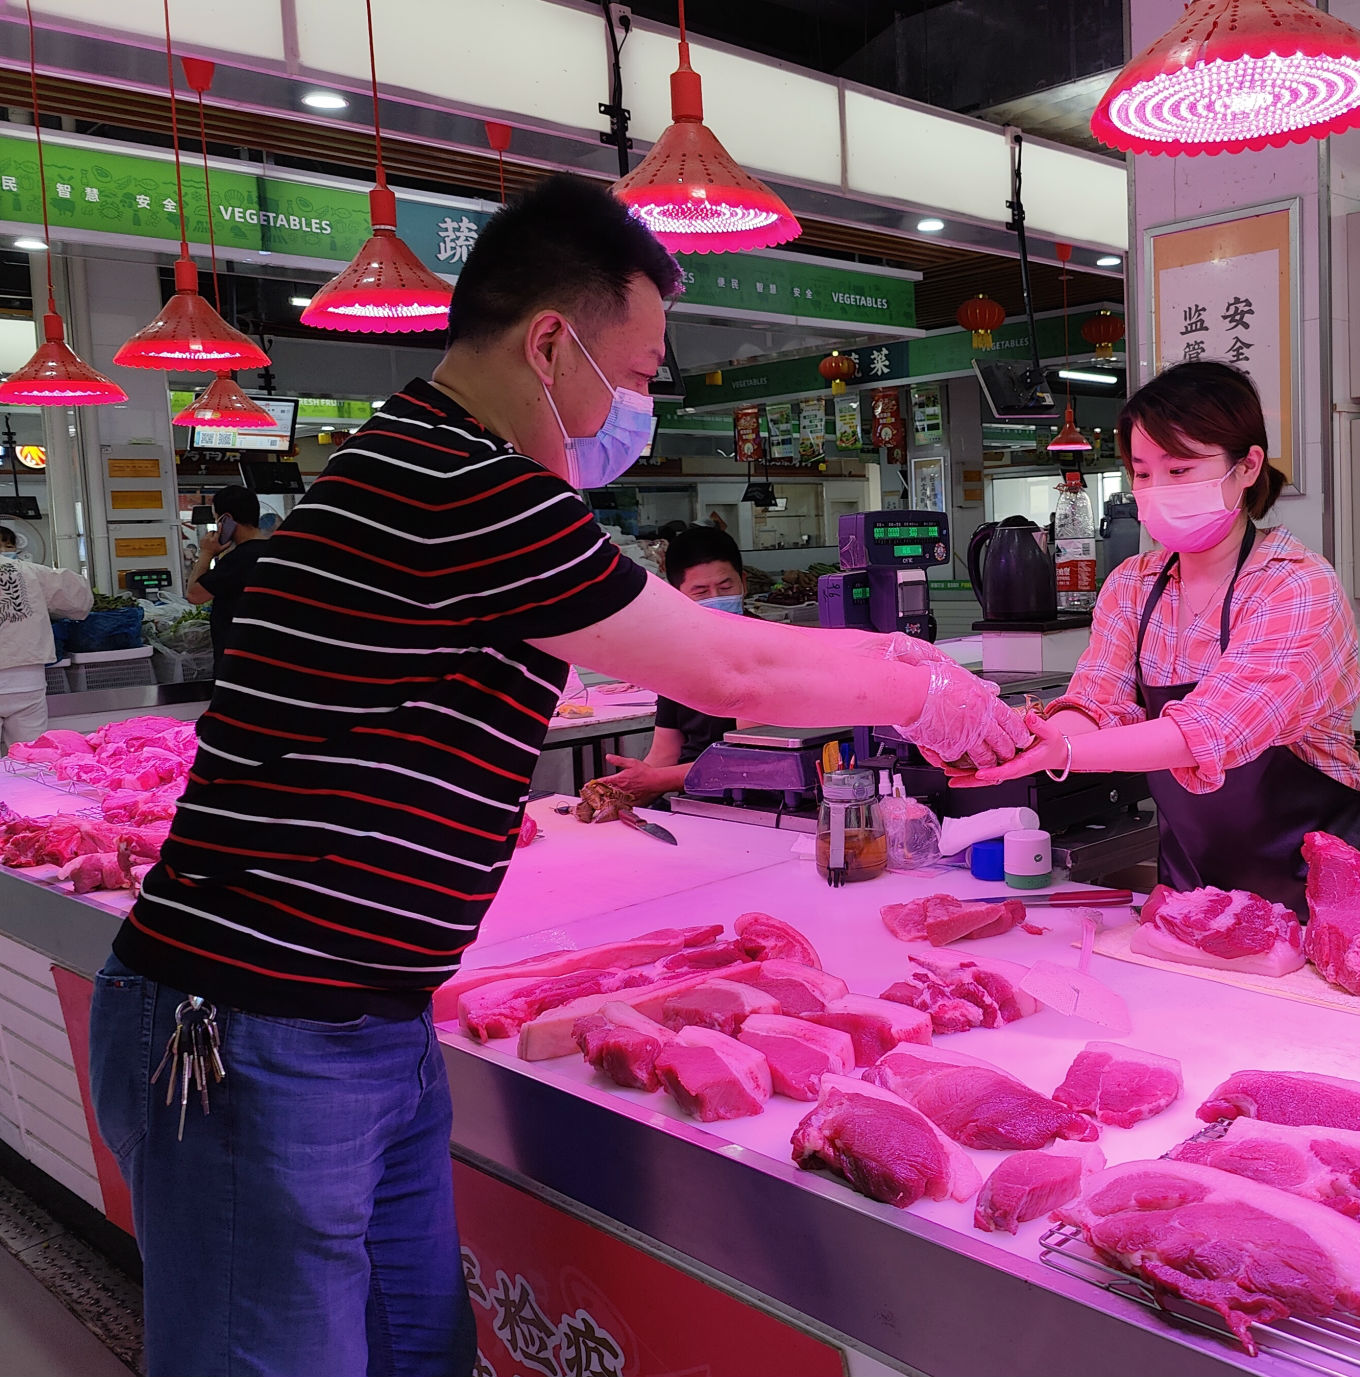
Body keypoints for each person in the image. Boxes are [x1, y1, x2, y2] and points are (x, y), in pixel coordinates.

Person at [88, 173, 1028, 1377]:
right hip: (255, 1025)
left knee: (417, 1353)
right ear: (548, 346)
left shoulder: (439, 462)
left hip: (366, 1018)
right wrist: (923, 688)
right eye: (634, 375)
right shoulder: (460, 485)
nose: (640, 407)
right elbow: (731, 665)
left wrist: (907, 670)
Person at [959, 361, 1360, 910]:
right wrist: (1018, 742)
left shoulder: (1296, 585)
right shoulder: (1133, 585)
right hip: (1197, 893)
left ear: (1247, 466)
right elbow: (1097, 705)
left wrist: (1059, 751)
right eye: (1142, 474)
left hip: (1327, 894)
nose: (1157, 490)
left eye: (1180, 470)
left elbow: (1210, 729)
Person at [596, 523, 750, 804]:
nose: (716, 598)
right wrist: (619, 793)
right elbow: (664, 754)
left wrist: (655, 781)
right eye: (701, 591)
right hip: (691, 800)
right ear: (677, 595)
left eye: (725, 587)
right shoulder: (676, 657)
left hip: (746, 802)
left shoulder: (762, 650)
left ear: (744, 582)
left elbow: (749, 760)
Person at [0, 525, 90, 746]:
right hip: (26, 680)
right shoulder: (31, 571)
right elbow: (79, 599)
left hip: (26, 678)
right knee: (29, 755)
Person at [183, 483, 272, 679]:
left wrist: (206, 552)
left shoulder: (239, 559)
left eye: (217, 519)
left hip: (240, 665)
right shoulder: (276, 551)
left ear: (227, 519)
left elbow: (194, 595)